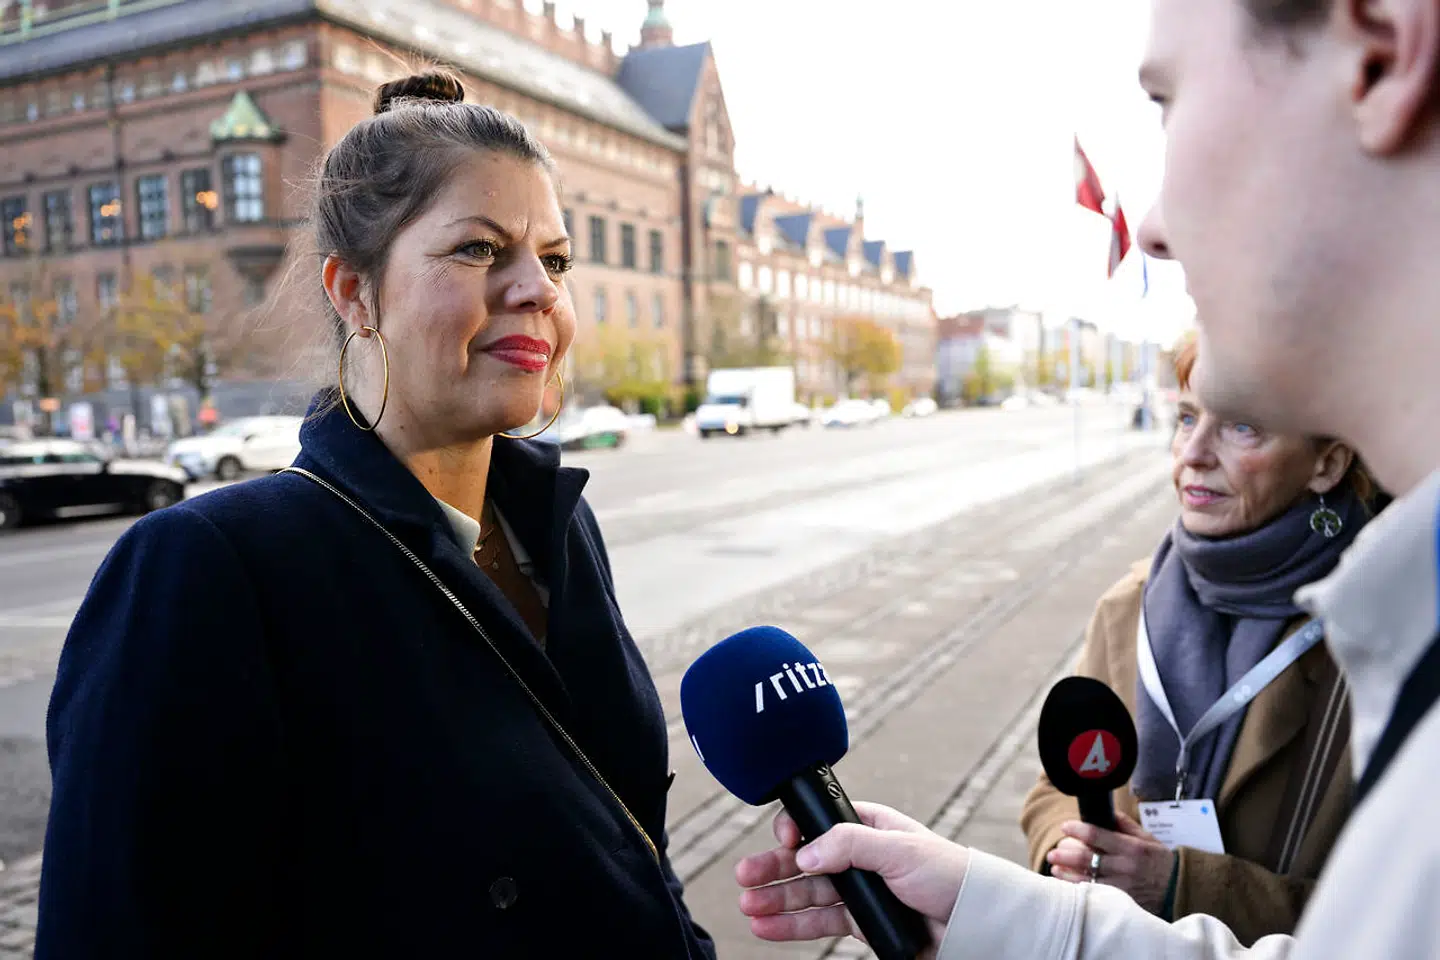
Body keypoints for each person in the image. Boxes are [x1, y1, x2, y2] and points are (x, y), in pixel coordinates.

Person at [734, 0, 1440, 955]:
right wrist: (993, 910)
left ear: (1380, 56)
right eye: (1188, 420)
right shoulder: (1379, 609)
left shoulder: (1392, 627)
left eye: (1168, 99)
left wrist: (1173, 881)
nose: (1148, 225)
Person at [37, 72, 714, 958]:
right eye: (479, 249)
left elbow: (621, 843)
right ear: (354, 293)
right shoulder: (210, 569)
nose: (537, 290)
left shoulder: (554, 522)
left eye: (554, 260)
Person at [1021, 339, 1370, 943]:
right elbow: (1057, 788)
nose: (1192, 453)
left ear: (1327, 463)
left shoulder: (1381, 636)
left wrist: (1181, 884)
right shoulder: (1130, 605)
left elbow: (1401, 914)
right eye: (1187, 418)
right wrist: (1071, 852)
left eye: (1242, 427)